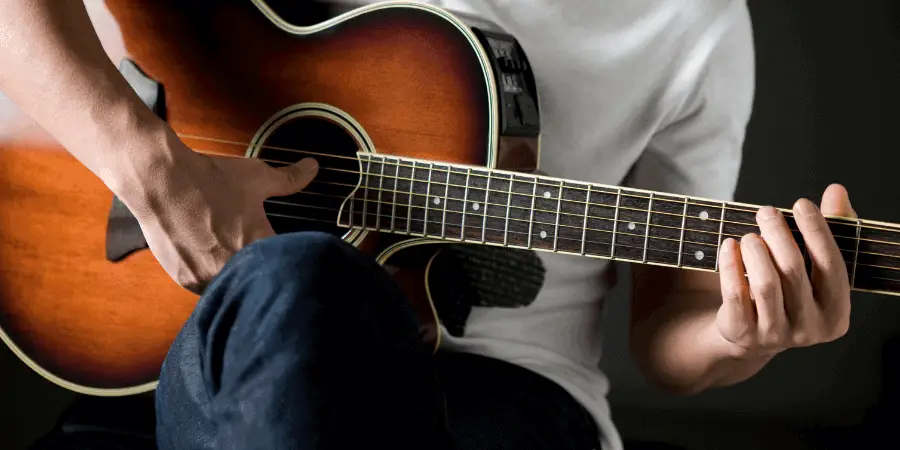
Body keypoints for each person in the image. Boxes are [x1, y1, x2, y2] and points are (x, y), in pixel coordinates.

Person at [0, 0, 857, 449]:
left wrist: (745, 334)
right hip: (197, 354)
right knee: (302, 282)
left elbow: (670, 330)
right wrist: (149, 167)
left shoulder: (696, 18)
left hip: (496, 400)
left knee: (310, 281)